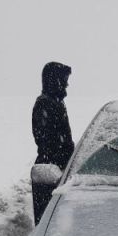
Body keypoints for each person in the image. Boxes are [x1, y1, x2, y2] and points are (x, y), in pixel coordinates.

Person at [31, 61, 74, 224]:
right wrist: (62, 158)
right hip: (49, 170)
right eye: (64, 79)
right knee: (48, 222)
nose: (67, 84)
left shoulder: (56, 102)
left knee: (56, 220)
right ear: (54, 80)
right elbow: (44, 140)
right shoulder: (45, 103)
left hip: (59, 167)